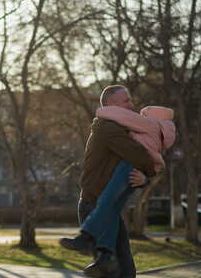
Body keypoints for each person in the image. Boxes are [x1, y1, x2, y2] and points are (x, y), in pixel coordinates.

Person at [61, 104, 176, 277]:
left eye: (144, 113)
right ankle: (102, 252)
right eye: (126, 100)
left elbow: (136, 150)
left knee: (108, 205)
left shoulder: (147, 124)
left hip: (112, 186)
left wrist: (147, 173)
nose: (132, 106)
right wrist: (149, 172)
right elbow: (143, 154)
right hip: (93, 199)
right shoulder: (106, 127)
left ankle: (85, 237)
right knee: (116, 258)